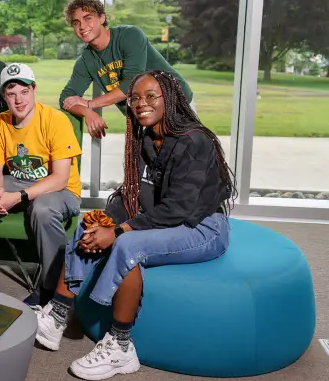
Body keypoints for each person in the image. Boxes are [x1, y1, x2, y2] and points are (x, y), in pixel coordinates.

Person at [35, 71, 236, 380]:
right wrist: (105, 220)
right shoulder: (147, 136)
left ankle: (121, 346)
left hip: (202, 227)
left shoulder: (195, 141)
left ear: (169, 98)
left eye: (151, 96)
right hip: (167, 217)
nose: (141, 104)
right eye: (135, 98)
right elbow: (134, 192)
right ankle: (58, 315)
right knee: (89, 224)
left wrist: (117, 231)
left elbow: (178, 210)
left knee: (126, 243)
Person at [0, 63, 82, 304]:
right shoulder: (1, 122)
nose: (18, 99)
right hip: (19, 182)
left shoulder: (55, 119)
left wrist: (18, 197)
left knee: (42, 208)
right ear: (4, 96)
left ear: (34, 90)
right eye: (11, 93)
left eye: (24, 91)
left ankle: (52, 291)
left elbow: (60, 178)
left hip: (60, 190)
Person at [59, 0, 194, 139]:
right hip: (144, 116)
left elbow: (132, 83)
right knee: (148, 160)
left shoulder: (130, 36)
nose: (82, 26)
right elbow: (66, 97)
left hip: (177, 106)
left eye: (88, 18)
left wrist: (89, 103)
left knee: (186, 159)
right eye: (76, 22)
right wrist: (87, 112)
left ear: (102, 18)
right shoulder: (86, 61)